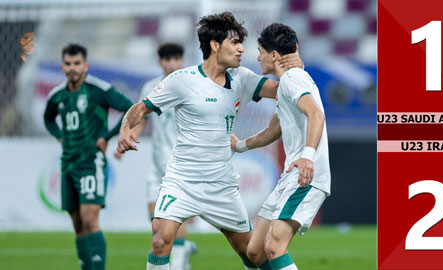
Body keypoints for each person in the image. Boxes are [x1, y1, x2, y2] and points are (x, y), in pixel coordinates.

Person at [116, 12, 302, 270]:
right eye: (235, 42)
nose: (240, 49)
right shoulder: (183, 81)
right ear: (215, 45)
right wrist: (126, 128)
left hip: (221, 185)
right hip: (181, 181)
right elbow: (142, 108)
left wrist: (293, 72)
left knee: (251, 254)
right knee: (160, 240)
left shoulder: (242, 79)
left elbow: (282, 89)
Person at [231, 23, 331, 270]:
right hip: (291, 176)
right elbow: (272, 131)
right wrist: (239, 145)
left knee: (274, 246)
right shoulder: (288, 84)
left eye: (260, 50)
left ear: (274, 55)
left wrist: (308, 156)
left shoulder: (292, 79)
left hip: (306, 175)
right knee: (254, 252)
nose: (257, 57)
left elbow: (316, 115)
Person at [43, 44, 133, 270]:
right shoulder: (58, 95)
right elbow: (48, 119)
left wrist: (107, 137)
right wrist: (59, 136)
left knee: (90, 220)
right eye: (68, 64)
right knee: (77, 224)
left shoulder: (98, 90)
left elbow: (128, 108)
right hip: (68, 165)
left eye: (77, 64)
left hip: (91, 162)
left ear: (86, 66)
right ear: (62, 66)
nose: (72, 68)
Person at [115, 42, 197, 270]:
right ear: (160, 62)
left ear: (182, 60)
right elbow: (142, 119)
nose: (172, 64)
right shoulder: (151, 87)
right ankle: (184, 250)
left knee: (175, 218)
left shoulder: (192, 85)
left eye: (176, 59)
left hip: (182, 166)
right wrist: (128, 138)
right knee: (156, 225)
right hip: (157, 166)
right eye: (167, 59)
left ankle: (180, 263)